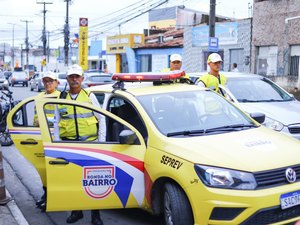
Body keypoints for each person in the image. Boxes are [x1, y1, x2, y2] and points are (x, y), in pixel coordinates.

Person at [53, 64, 104, 225]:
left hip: (90, 145)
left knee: (93, 182)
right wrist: (57, 146)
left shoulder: (89, 96)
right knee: (73, 181)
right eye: (71, 77)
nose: (74, 79)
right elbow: (56, 123)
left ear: (82, 79)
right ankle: (77, 212)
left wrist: (101, 143)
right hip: (69, 146)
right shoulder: (61, 98)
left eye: (77, 77)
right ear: (67, 79)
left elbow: (101, 118)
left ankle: (96, 215)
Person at [34, 71, 60, 212]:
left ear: (56, 83)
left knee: (55, 171)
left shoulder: (61, 97)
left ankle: (53, 199)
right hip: (42, 138)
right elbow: (36, 119)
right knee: (44, 171)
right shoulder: (38, 98)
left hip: (57, 140)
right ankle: (46, 195)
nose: (48, 83)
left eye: (51, 81)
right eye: (45, 81)